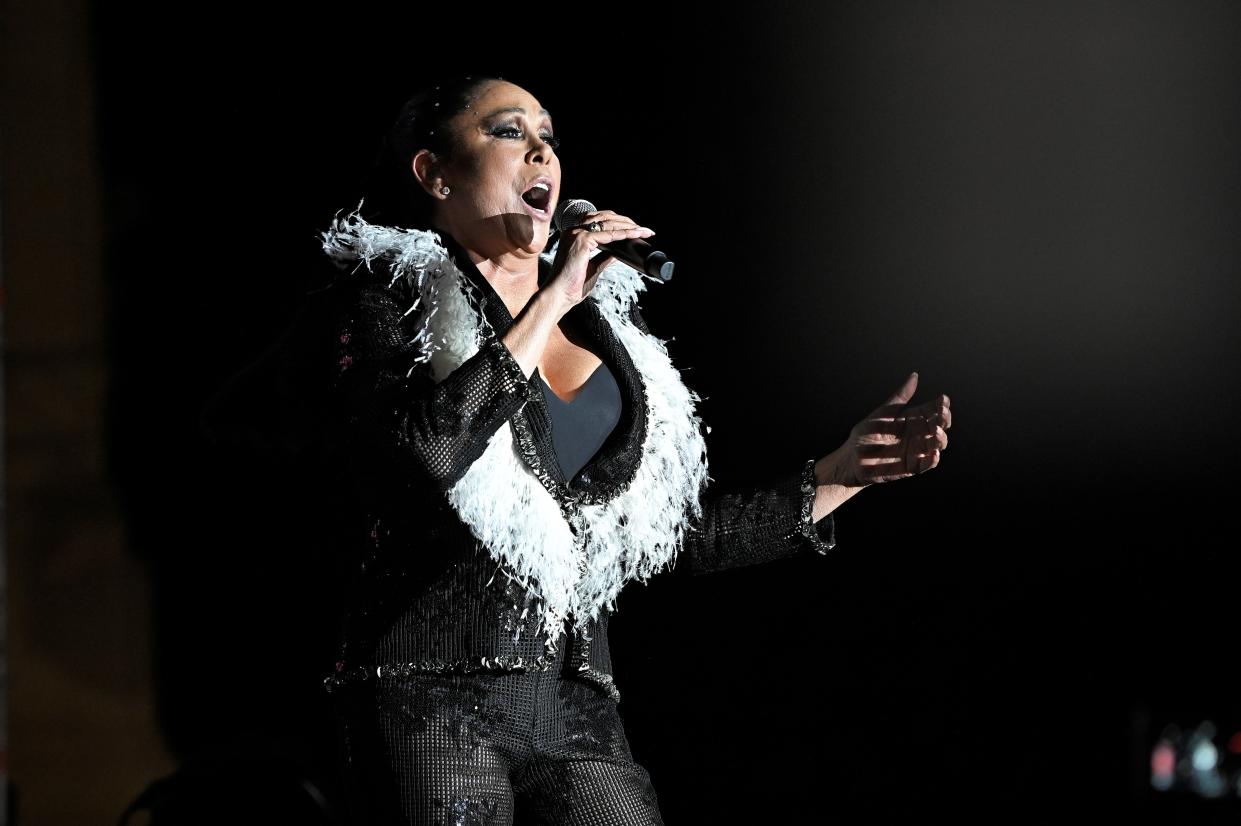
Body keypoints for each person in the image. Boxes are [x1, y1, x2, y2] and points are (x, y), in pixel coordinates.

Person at [318, 75, 952, 825]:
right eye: (509, 132)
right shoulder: (394, 303)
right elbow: (426, 453)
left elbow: (656, 540)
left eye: (549, 138)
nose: (541, 153)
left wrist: (841, 475)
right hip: (429, 687)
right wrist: (549, 297)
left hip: (573, 704)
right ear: (435, 172)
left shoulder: (608, 341)